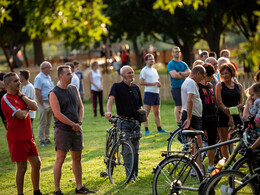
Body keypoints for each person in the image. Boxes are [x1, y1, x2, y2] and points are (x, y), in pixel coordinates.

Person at [49, 65, 94, 195]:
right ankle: (57, 190)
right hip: (63, 130)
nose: (72, 76)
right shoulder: (54, 93)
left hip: (76, 129)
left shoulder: (74, 89)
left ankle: (79, 187)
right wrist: (72, 125)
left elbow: (81, 107)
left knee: (77, 158)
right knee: (60, 159)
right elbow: (57, 114)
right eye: (68, 74)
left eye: (71, 73)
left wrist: (79, 123)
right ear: (61, 76)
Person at [1, 72, 42, 195]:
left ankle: (37, 191)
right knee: (22, 167)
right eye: (15, 81)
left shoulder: (20, 96)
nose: (19, 83)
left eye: (19, 80)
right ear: (7, 84)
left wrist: (22, 97)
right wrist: (27, 107)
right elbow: (22, 115)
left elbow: (35, 106)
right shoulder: (6, 99)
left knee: (37, 163)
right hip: (17, 139)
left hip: (28, 137)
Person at [105, 65, 143, 182]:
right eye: (129, 73)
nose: (132, 74)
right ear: (122, 75)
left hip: (136, 122)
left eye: (132, 72)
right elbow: (110, 100)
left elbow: (139, 105)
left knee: (135, 150)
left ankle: (134, 175)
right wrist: (109, 111)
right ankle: (129, 176)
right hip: (124, 122)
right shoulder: (117, 86)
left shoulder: (136, 87)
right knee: (127, 151)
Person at [215, 63, 243, 159]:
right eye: (222, 74)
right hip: (223, 114)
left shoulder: (238, 86)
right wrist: (228, 113)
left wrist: (233, 111)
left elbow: (241, 103)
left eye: (226, 73)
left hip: (235, 113)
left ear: (232, 73)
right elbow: (220, 103)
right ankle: (226, 162)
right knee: (224, 140)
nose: (224, 76)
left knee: (242, 137)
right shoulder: (219, 86)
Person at [181, 65, 206, 170]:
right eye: (202, 76)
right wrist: (189, 119)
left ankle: (194, 168)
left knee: (195, 144)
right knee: (195, 145)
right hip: (192, 116)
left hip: (193, 115)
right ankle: (198, 169)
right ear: (198, 73)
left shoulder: (188, 81)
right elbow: (189, 100)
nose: (203, 79)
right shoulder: (191, 82)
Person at [198, 63, 218, 173]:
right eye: (212, 75)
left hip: (212, 115)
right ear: (206, 74)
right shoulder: (197, 86)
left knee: (212, 141)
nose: (212, 78)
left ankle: (210, 165)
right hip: (202, 116)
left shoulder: (210, 85)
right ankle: (198, 167)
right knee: (198, 142)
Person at [140, 54, 166, 135]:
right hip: (148, 93)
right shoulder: (144, 70)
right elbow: (141, 82)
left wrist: (158, 84)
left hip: (156, 93)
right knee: (146, 112)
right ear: (146, 61)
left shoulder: (154, 70)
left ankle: (159, 128)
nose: (152, 60)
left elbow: (156, 81)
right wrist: (153, 84)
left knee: (157, 112)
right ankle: (146, 129)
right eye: (150, 59)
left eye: (153, 59)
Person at [168, 46, 191, 123]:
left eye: (178, 51)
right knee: (178, 106)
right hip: (176, 87)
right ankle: (179, 123)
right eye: (175, 51)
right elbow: (174, 75)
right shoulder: (171, 64)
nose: (177, 53)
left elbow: (189, 73)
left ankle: (185, 121)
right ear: (172, 53)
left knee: (185, 105)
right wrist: (184, 74)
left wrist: (180, 73)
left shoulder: (183, 64)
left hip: (184, 87)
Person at [34, 61, 54, 146]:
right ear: (44, 69)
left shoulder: (48, 77)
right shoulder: (39, 78)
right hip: (43, 102)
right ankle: (41, 140)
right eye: (49, 68)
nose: (50, 69)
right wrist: (41, 104)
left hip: (50, 101)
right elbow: (37, 91)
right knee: (43, 122)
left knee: (48, 122)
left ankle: (47, 138)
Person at [20, 70, 36, 138]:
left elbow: (29, 100)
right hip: (25, 112)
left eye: (19, 76)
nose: (18, 78)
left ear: (23, 77)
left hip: (29, 113)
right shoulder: (24, 86)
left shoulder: (29, 87)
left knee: (30, 131)